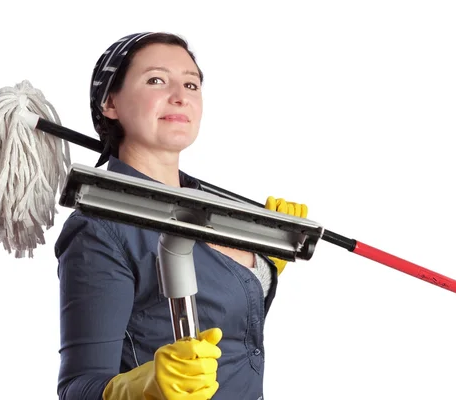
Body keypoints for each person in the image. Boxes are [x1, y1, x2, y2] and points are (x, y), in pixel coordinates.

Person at [54, 31, 308, 400]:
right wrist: (142, 387)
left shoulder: (216, 210)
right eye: (156, 80)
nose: (180, 96)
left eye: (191, 84)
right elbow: (78, 388)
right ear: (110, 103)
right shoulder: (101, 230)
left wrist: (259, 263)